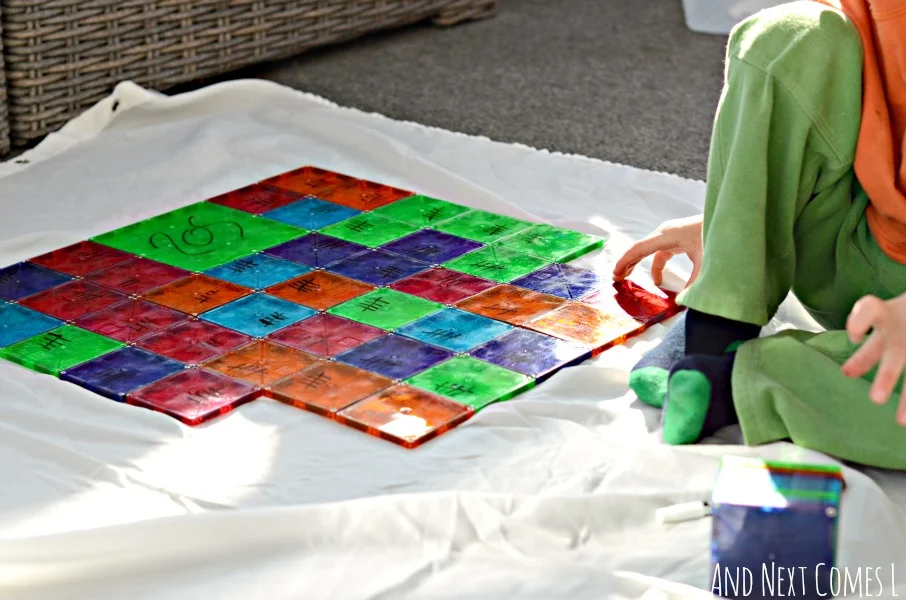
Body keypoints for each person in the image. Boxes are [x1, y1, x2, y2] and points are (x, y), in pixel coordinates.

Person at [611, 0, 906, 470]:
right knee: (792, 36)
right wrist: (734, 220)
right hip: (862, 242)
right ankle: (718, 329)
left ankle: (734, 383)